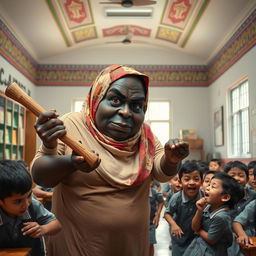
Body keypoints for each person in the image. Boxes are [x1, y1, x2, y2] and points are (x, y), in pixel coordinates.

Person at [31, 64, 189, 256]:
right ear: (97, 98)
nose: (125, 112)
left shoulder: (144, 136)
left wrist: (171, 161)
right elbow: (41, 176)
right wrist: (68, 161)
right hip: (77, 245)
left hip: (130, 246)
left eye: (137, 105)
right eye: (115, 100)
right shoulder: (72, 125)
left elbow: (162, 173)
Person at [0, 160, 61, 256]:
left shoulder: (33, 205)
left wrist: (42, 229)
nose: (26, 204)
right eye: (18, 201)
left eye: (29, 195)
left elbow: (56, 225)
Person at [183, 172, 244, 256]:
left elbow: (211, 239)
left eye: (213, 186)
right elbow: (194, 227)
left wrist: (199, 231)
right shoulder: (208, 206)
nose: (207, 188)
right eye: (209, 184)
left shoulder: (221, 217)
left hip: (211, 252)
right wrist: (199, 210)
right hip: (199, 247)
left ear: (225, 197)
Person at [164, 161, 203, 255]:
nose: (192, 182)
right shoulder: (176, 198)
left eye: (196, 179)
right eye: (187, 179)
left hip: (195, 238)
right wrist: (174, 225)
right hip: (179, 238)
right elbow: (167, 214)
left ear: (201, 182)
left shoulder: (204, 198)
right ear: (180, 182)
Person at [224, 160, 256, 256]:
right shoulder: (221, 197)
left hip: (250, 234)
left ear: (247, 180)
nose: (236, 178)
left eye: (241, 175)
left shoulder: (253, 195)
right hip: (228, 234)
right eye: (232, 175)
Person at [149, 179, 164, 256]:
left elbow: (161, 202)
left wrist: (157, 215)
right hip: (139, 223)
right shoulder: (137, 193)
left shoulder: (154, 192)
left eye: (151, 181)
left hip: (150, 222)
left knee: (150, 243)